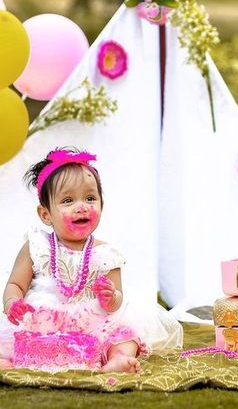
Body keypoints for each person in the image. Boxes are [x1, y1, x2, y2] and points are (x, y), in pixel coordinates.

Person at [0, 147, 182, 372]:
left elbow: (117, 298)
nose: (82, 206)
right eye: (68, 200)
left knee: (125, 335)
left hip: (91, 322)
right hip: (43, 319)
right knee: (11, 339)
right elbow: (16, 284)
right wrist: (13, 303)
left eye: (90, 198)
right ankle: (8, 360)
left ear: (101, 205)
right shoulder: (37, 246)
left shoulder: (106, 254)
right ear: (46, 214)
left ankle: (118, 359)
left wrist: (109, 297)